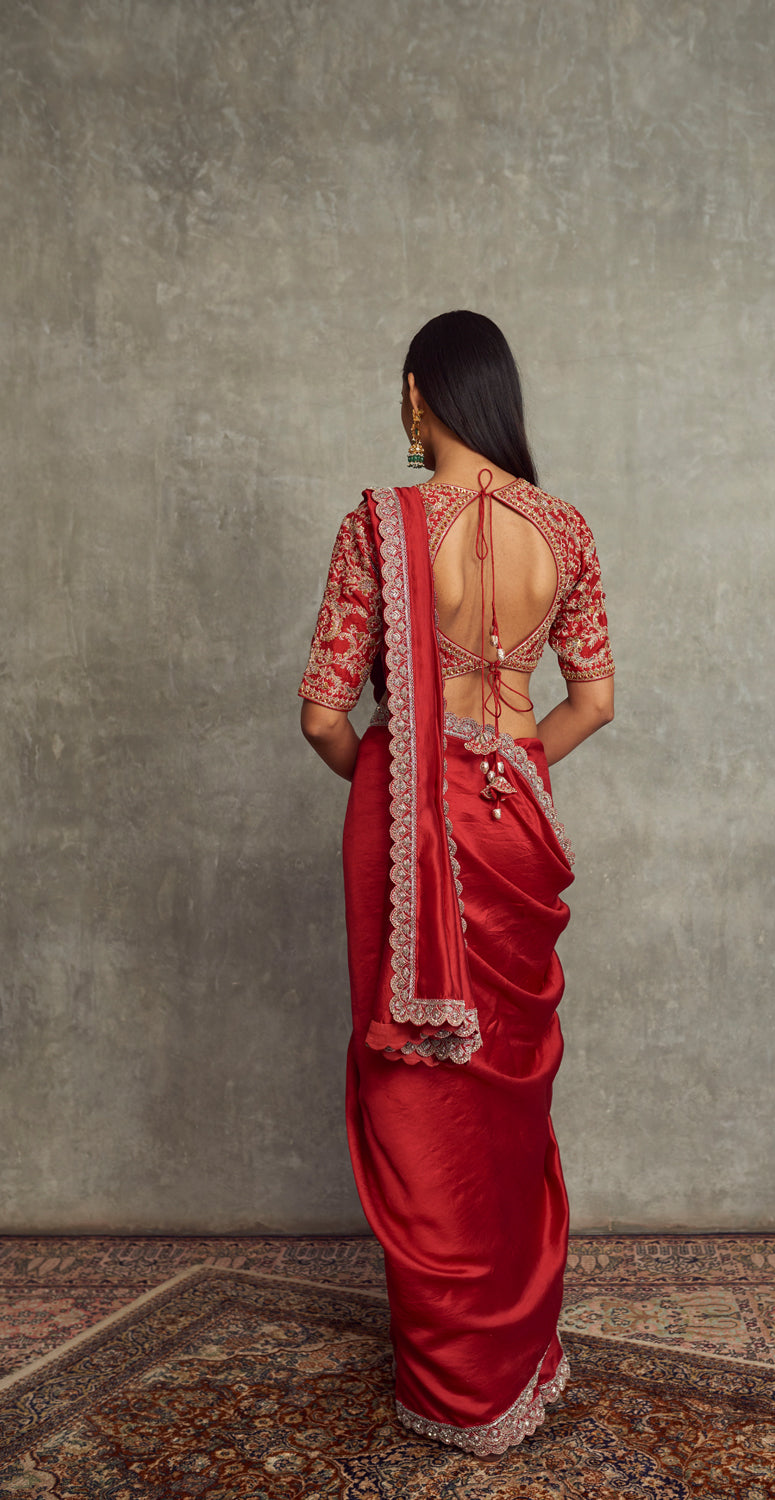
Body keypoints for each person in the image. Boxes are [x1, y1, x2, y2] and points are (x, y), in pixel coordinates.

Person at [299, 310, 614, 1455]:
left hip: (408, 829)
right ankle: (514, 1359)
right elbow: (595, 701)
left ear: (424, 397)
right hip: (516, 823)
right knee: (504, 1093)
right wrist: (507, 766)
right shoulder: (565, 529)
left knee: (418, 1090)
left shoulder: (380, 527)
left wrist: (395, 779)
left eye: (405, 392)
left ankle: (452, 1382)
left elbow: (325, 713)